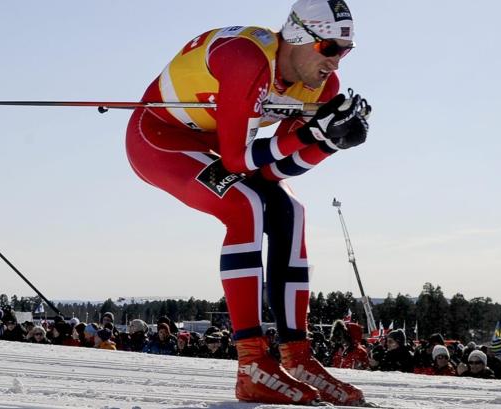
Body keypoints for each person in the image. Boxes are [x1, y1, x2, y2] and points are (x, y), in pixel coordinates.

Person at [124, 0, 369, 405]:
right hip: (160, 139)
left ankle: (297, 355)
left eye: (345, 51)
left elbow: (276, 170)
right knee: (245, 205)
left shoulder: (323, 86)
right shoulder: (246, 58)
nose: (336, 64)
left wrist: (328, 143)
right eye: (329, 48)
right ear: (298, 36)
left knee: (290, 210)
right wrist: (311, 137)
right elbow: (240, 160)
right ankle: (251, 362)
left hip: (214, 146)